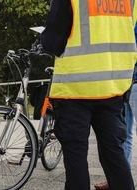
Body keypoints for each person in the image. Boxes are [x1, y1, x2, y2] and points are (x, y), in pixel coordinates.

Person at [38, 0, 137, 190]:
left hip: (75, 88)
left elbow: (52, 42)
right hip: (113, 85)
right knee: (114, 155)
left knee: (76, 158)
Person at [94, 24, 137, 190]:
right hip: (127, 82)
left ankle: (118, 180)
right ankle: (117, 180)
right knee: (125, 134)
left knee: (125, 134)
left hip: (131, 80)